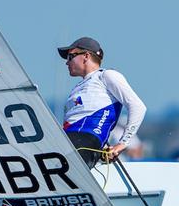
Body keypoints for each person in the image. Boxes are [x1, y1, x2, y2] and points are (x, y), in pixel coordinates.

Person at [58, 37, 147, 168]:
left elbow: (138, 106)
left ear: (86, 56)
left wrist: (122, 144)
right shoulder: (76, 89)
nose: (67, 63)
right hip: (66, 140)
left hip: (86, 141)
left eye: (70, 56)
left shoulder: (106, 75)